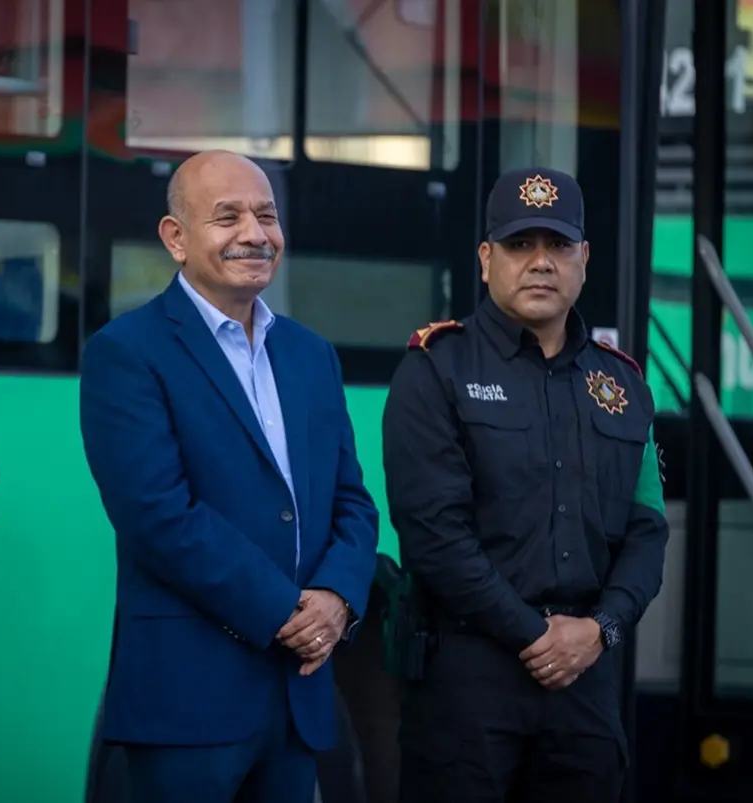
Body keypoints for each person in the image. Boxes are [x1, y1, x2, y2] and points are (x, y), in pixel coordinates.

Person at [79, 149, 380, 803]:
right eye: (228, 216)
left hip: (298, 695)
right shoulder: (126, 353)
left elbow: (352, 500)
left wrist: (335, 596)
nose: (255, 233)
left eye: (267, 215)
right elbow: (159, 516)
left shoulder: (310, 354)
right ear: (175, 238)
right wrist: (286, 611)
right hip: (186, 703)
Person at [382, 167, 669, 802]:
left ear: (584, 259)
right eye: (519, 245)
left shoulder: (625, 388)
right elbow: (435, 537)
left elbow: (648, 532)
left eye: (558, 246)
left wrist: (601, 631)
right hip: (467, 681)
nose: (541, 263)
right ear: (486, 260)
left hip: (585, 686)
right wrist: (537, 636)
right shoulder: (435, 371)